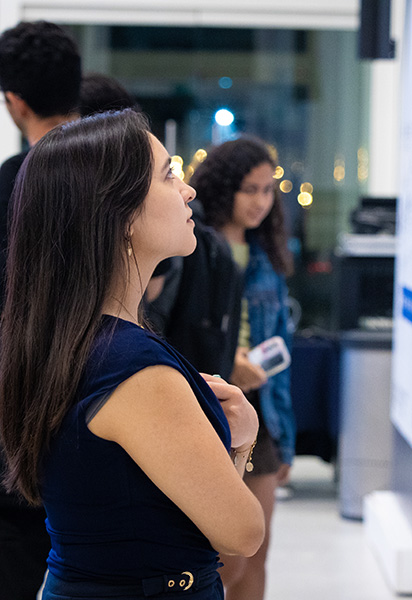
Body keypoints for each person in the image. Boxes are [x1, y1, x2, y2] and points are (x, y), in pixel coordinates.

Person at [0, 110, 265, 600]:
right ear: (118, 215)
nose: (188, 191)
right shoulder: (133, 369)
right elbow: (240, 532)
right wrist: (240, 440)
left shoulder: (67, 339)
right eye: (168, 175)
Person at [191, 137, 295, 600]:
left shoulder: (265, 260)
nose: (260, 201)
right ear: (224, 188)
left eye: (267, 190)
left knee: (259, 551)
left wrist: (287, 438)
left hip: (263, 407)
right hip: (211, 405)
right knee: (223, 560)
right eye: (249, 189)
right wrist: (227, 363)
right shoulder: (191, 247)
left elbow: (283, 355)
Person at [0, 19, 81, 599]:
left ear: (14, 102)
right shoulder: (125, 179)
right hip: (108, 412)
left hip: (15, 430)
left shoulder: (12, 183)